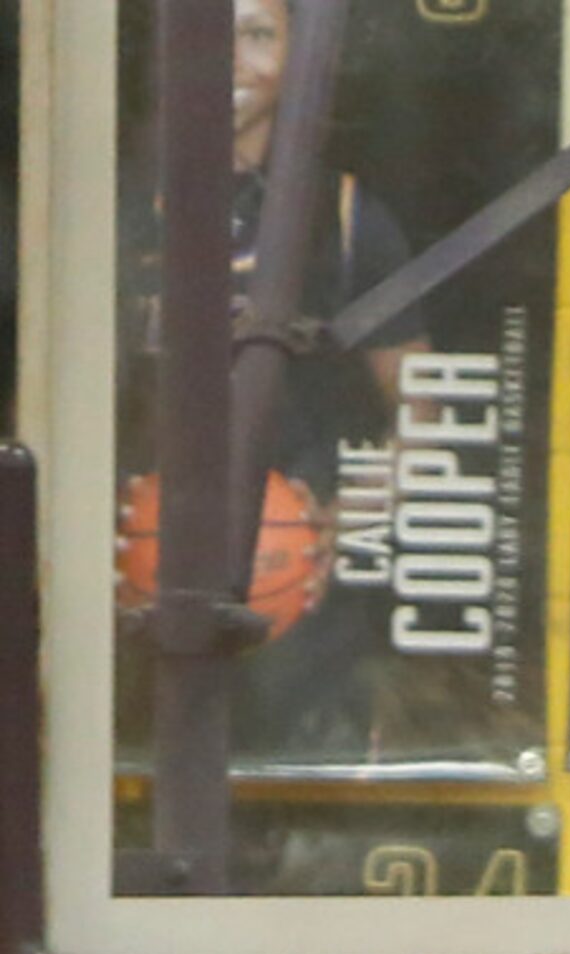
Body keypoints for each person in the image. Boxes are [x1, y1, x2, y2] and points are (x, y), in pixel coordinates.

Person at [117, 0, 432, 751]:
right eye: (209, 35)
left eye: (258, 34)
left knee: (288, 780)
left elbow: (427, 413)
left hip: (298, 592)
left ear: (300, 59)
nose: (231, 59)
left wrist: (341, 514)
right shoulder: (108, 204)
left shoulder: (349, 216)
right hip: (135, 572)